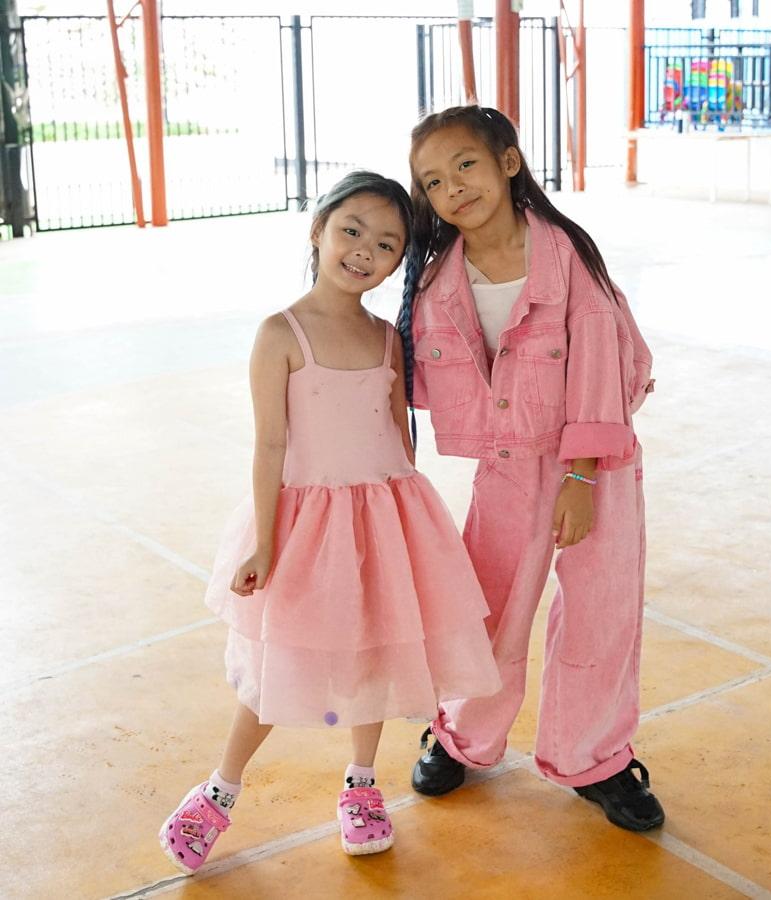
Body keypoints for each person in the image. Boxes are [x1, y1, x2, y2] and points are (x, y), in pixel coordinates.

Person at [159, 171, 501, 875]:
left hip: (384, 522)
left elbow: (397, 435)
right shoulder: (280, 333)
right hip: (306, 525)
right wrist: (264, 536)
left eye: (386, 243)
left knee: (376, 651)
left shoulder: (385, 337)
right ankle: (221, 787)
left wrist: (407, 525)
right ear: (317, 230)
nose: (364, 251)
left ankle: (361, 784)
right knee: (276, 664)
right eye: (351, 231)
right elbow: (271, 446)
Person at [396, 106, 664, 832]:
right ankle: (462, 736)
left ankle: (597, 758)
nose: (452, 187)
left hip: (592, 464)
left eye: (465, 165)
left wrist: (580, 477)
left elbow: (602, 372)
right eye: (432, 180)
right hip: (508, 466)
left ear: (509, 163)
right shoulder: (435, 282)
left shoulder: (567, 256)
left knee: (600, 614)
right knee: (486, 605)